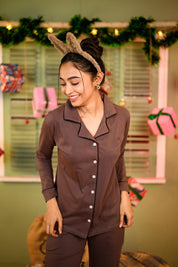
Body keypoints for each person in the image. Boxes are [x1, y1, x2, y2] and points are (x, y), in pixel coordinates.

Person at [36, 32, 134, 267]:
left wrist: (124, 197)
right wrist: (50, 203)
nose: (67, 90)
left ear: (97, 78)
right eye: (63, 83)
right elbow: (42, 156)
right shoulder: (55, 119)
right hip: (65, 219)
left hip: (109, 219)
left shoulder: (121, 117)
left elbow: (118, 157)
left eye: (74, 82)